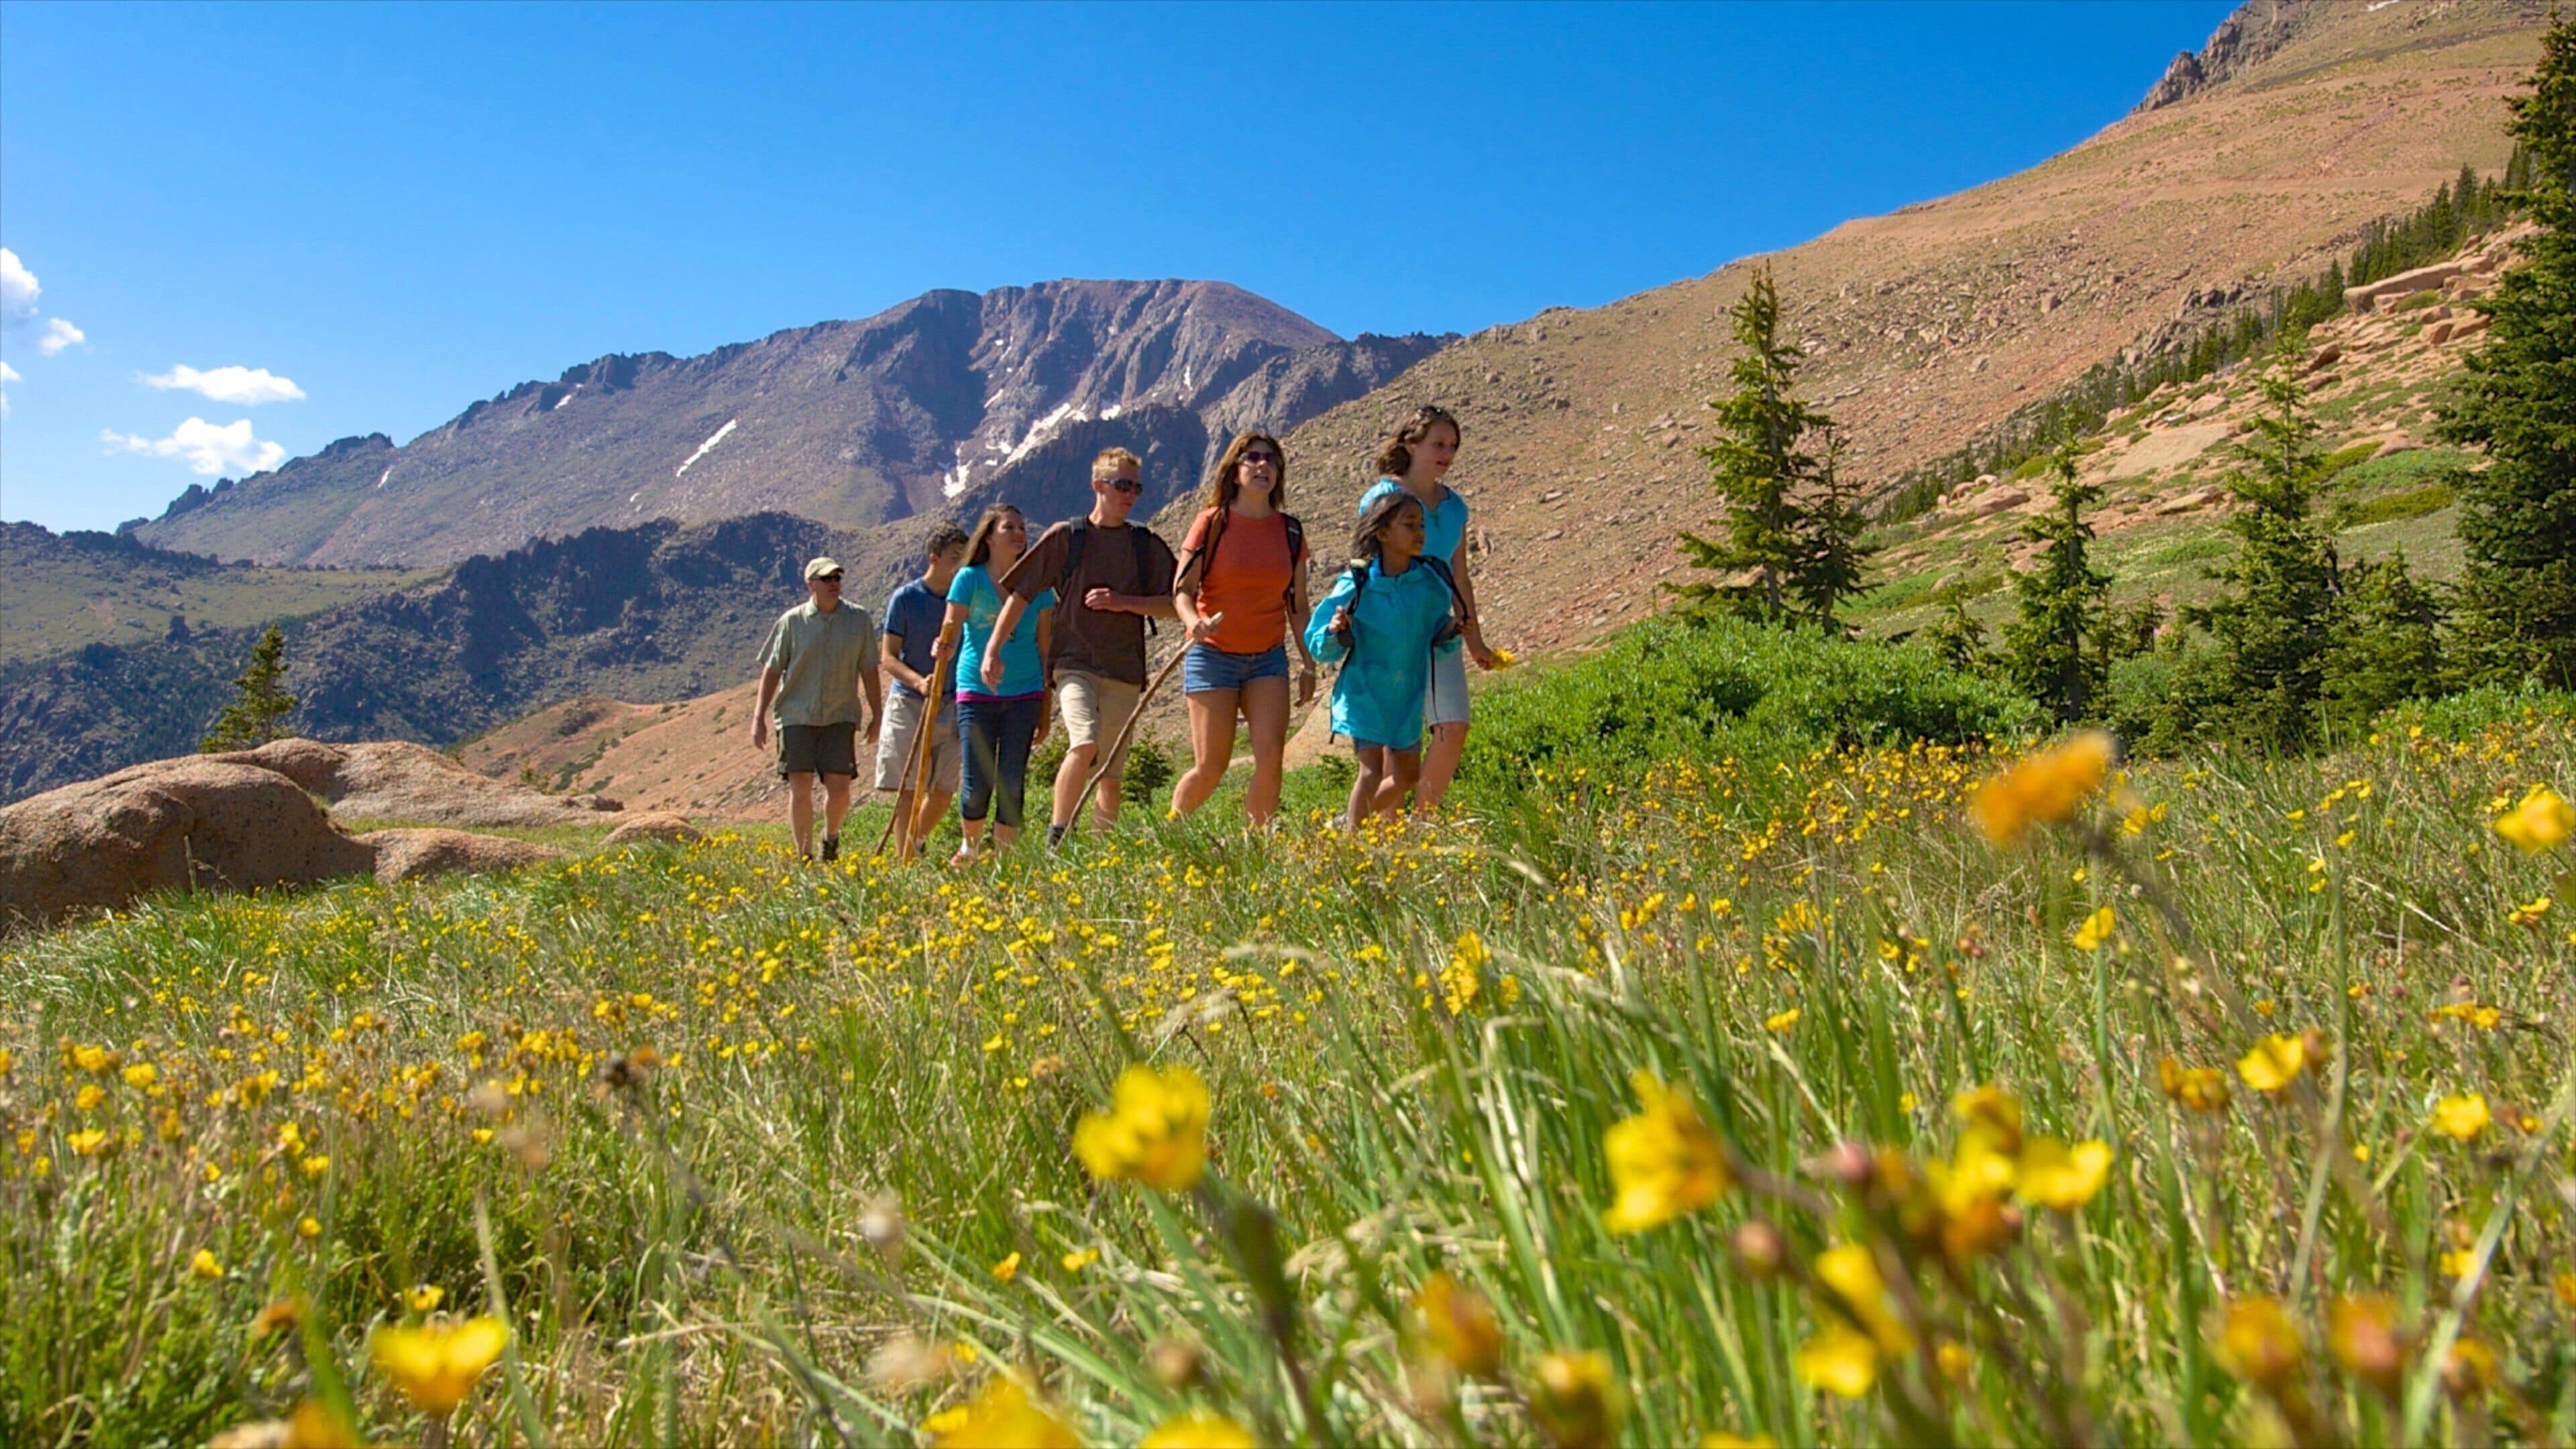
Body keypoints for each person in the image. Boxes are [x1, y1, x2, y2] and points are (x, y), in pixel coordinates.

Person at [989, 447, 1179, 848]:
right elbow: (1020, 594)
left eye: (1136, 488)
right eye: (1122, 485)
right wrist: (993, 648)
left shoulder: (1145, 545)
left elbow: (1177, 603)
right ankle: (1058, 838)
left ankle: (1102, 853)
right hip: (1074, 663)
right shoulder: (1067, 537)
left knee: (1111, 769)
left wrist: (1124, 602)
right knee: (1085, 742)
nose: (1130, 495)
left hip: (1124, 669)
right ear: (1098, 486)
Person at [1170, 431, 1317, 827]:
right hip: (1212, 654)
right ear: (1234, 471)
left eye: (1271, 460)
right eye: (1252, 458)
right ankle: (1173, 831)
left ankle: (1257, 846)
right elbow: (1181, 591)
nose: (1262, 466)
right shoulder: (1211, 523)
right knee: (1211, 766)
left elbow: (1298, 607)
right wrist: (1192, 623)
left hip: (1267, 657)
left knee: (1271, 760)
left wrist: (1308, 664)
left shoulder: (1290, 532)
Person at [1355, 405, 1497, 814]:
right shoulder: (1383, 498)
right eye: (1438, 444)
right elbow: (1365, 565)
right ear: (1411, 444)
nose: (1447, 454)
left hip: (1439, 630)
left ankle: (1423, 821)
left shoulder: (1455, 508)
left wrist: (1475, 640)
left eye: (1453, 446)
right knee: (1392, 744)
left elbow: (1460, 575)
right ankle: (1375, 832)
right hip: (1389, 630)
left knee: (1453, 726)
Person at [1305, 491, 1461, 830]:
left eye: (1421, 525)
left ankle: (1349, 825)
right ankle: (1354, 844)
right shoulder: (1358, 585)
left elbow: (1435, 629)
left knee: (1407, 776)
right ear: (1382, 533)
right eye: (1409, 525)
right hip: (1365, 694)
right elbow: (1318, 644)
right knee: (1372, 770)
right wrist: (1334, 629)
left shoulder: (1428, 583)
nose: (1420, 533)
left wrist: (1451, 631)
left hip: (1406, 697)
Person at [749, 555, 883, 862]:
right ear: (811, 585)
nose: (834, 583)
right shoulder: (792, 622)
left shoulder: (858, 620)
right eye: (826, 579)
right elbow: (772, 670)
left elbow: (869, 669)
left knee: (839, 790)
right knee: (801, 786)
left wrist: (877, 714)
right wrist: (759, 717)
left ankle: (830, 838)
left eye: (837, 577)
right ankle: (805, 857)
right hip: (797, 715)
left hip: (840, 715)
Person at [945, 506, 1054, 860]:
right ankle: (971, 848)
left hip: (1025, 692)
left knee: (1011, 781)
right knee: (978, 781)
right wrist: (940, 646)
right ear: (989, 537)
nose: (1020, 533)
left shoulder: (1040, 588)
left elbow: (1045, 647)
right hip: (976, 691)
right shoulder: (969, 580)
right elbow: (949, 631)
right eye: (1010, 527)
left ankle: (1004, 861)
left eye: (1022, 527)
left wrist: (1046, 707)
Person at [877, 523, 971, 861]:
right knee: (909, 789)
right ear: (933, 557)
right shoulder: (906, 599)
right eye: (953, 557)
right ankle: (906, 863)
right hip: (910, 699)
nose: (960, 563)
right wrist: (919, 682)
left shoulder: (967, 600)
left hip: (953, 700)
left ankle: (914, 843)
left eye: (965, 556)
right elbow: (888, 657)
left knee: (944, 789)